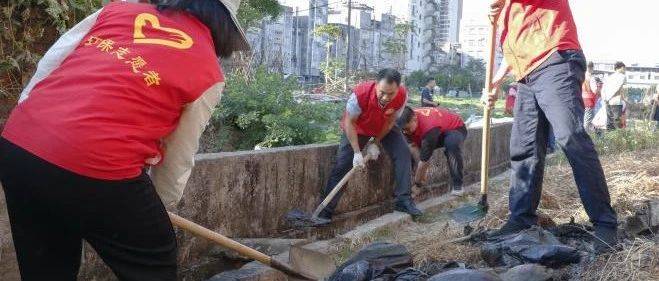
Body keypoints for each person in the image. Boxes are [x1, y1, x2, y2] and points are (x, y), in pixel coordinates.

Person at [0, 0, 249, 280]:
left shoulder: (117, 10)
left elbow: (51, 62)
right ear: (226, 25)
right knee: (154, 259)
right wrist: (159, 205)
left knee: (46, 267)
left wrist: (28, 119)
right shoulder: (207, 70)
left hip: (18, 148)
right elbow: (179, 153)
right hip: (97, 165)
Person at [484, 0, 618, 253]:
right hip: (525, 75)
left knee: (570, 137)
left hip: (555, 58)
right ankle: (520, 219)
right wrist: (496, 81)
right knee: (524, 148)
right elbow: (513, 51)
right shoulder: (507, 14)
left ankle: (605, 222)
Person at [317, 68, 422, 220]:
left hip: (383, 126)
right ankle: (325, 211)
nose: (386, 97)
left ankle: (403, 200)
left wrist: (375, 142)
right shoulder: (360, 95)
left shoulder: (402, 96)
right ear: (376, 84)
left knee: (403, 152)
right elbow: (349, 123)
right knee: (343, 165)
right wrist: (357, 152)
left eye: (391, 93)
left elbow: (391, 121)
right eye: (382, 92)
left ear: (398, 89)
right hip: (358, 128)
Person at [398, 106, 467, 196]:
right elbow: (413, 148)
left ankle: (458, 185)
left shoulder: (429, 129)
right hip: (436, 129)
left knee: (451, 144)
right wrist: (420, 177)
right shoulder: (404, 122)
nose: (405, 132)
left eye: (407, 129)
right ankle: (407, 187)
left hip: (455, 128)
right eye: (403, 130)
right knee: (406, 150)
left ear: (414, 119)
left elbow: (424, 161)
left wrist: (418, 184)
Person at [601, 62, 627, 130]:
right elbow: (620, 89)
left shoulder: (609, 77)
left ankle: (609, 138)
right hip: (616, 101)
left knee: (609, 121)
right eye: (624, 68)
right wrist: (624, 99)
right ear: (621, 67)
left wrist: (605, 99)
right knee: (617, 121)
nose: (625, 70)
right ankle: (617, 139)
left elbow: (603, 89)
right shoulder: (622, 76)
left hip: (607, 101)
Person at [582, 62, 600, 131]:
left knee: (585, 118)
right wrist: (599, 90)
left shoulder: (582, 76)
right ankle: (586, 134)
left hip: (582, 99)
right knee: (588, 120)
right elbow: (595, 90)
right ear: (591, 68)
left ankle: (594, 132)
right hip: (589, 101)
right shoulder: (591, 78)